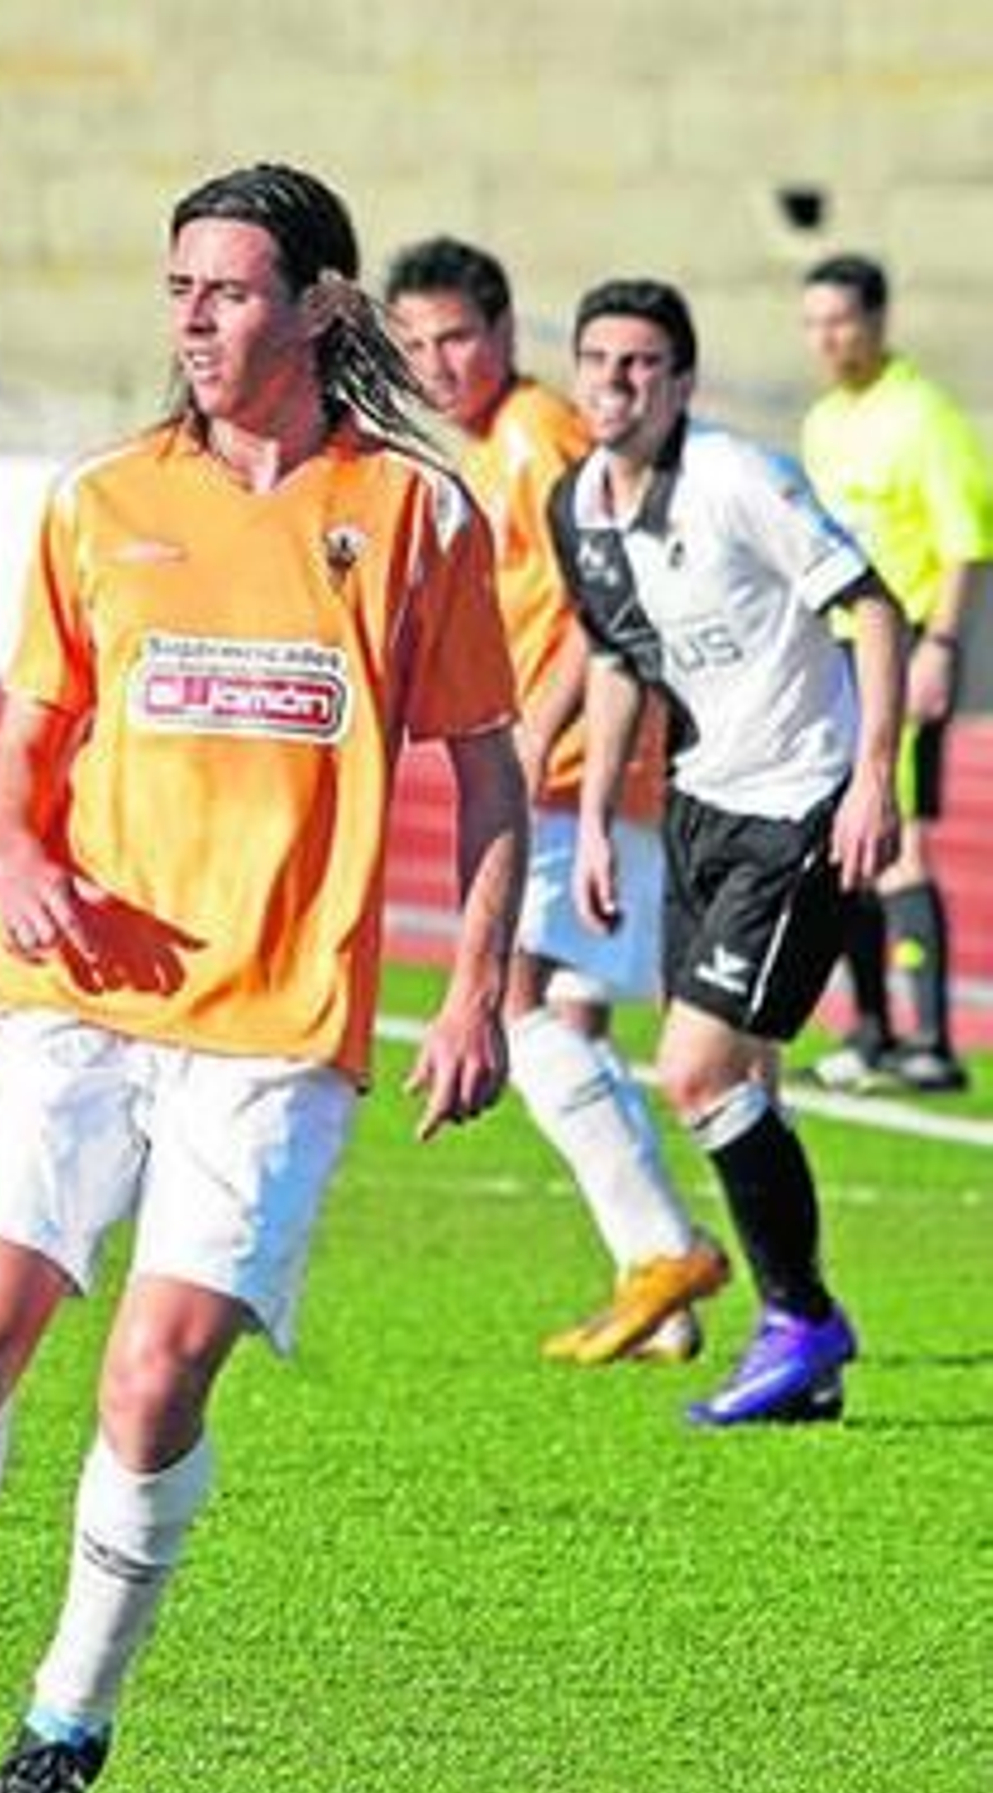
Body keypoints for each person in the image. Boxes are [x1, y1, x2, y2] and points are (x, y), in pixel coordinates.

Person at [0, 162, 528, 1793]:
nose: (194, 320)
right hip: (75, 997)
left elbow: (494, 778)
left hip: (274, 1027)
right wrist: (17, 862)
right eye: (179, 288)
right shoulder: (99, 500)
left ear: (320, 308)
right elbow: (19, 742)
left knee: (152, 1377)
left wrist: (472, 986)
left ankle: (62, 1726)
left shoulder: (413, 519)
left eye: (229, 289)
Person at [552, 277, 907, 1427]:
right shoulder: (582, 508)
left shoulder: (739, 480)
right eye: (599, 360)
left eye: (643, 363)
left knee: (695, 1069)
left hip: (796, 805)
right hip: (696, 811)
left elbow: (876, 607)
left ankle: (802, 1316)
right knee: (744, 1076)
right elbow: (617, 662)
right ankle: (801, 1359)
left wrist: (869, 782)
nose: (618, 381)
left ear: (683, 382)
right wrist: (599, 816)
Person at [384, 236, 727, 1366]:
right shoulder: (494, 445)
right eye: (416, 343)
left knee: (520, 1004)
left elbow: (606, 596)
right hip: (584, 763)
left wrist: (532, 734)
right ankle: (659, 1293)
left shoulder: (537, 439)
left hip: (576, 762)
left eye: (458, 337)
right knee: (568, 1013)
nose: (438, 363)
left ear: (506, 335)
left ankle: (660, 1245)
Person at [800, 253, 993, 1093]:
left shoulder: (923, 417)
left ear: (878, 320)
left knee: (903, 841)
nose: (826, 339)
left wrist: (943, 646)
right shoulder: (823, 420)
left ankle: (933, 1041)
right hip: (837, 650)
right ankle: (872, 1031)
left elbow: (964, 541)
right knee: (846, 841)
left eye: (840, 321)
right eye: (814, 323)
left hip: (906, 643)